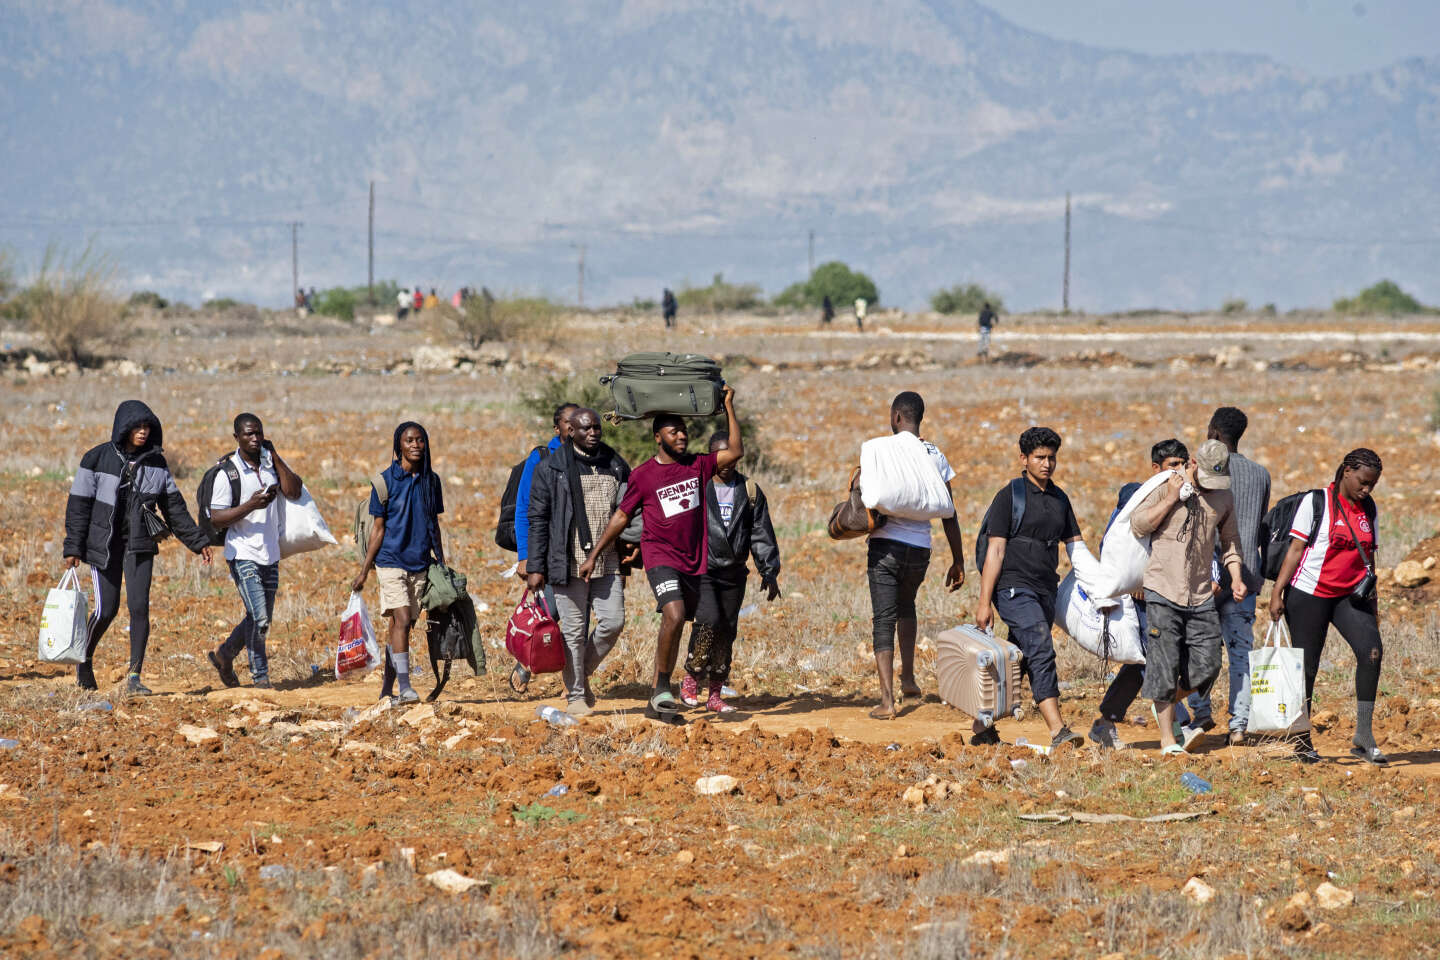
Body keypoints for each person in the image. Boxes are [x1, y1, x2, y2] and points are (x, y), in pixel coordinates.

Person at [577, 386, 745, 724]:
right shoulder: (643, 475)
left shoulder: (698, 465)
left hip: (693, 559)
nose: (682, 436)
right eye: (674, 431)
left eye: (684, 430)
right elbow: (622, 516)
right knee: (674, 612)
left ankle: (657, 700)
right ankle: (662, 688)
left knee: (680, 621)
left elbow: (736, 451)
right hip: (660, 555)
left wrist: (728, 406)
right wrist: (595, 553)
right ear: (658, 437)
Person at [63, 400, 213, 694]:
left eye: (147, 427)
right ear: (124, 427)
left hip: (139, 544)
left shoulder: (156, 463)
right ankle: (84, 660)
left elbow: (174, 509)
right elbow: (78, 507)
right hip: (102, 545)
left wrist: (197, 542)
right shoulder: (95, 459)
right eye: (137, 427)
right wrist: (73, 547)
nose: (143, 432)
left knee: (139, 608)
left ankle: (134, 677)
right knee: (106, 610)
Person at [1269, 449, 1385, 764]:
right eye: (1363, 482)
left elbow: (1370, 556)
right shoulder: (1317, 502)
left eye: (1372, 484)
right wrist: (1278, 591)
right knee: (1307, 667)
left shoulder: (1368, 508)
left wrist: (1373, 602)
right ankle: (1302, 740)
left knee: (1372, 651)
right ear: (1347, 471)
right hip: (1309, 593)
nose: (1367, 489)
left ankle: (1364, 735)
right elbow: (1295, 549)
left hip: (1350, 596)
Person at [1130, 439, 1245, 755]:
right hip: (1162, 588)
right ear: (1193, 462)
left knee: (1209, 664)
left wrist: (1235, 577)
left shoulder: (1224, 497)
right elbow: (1138, 524)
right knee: (1164, 663)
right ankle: (1169, 739)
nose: (1210, 488)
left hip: (1200, 593)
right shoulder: (1165, 484)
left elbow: (1231, 541)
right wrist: (1169, 499)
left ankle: (1165, 698)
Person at [974, 427, 1084, 749]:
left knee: (1018, 660)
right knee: (1039, 644)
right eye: (1040, 458)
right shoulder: (1010, 496)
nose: (1047, 464)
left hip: (1045, 590)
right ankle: (1058, 730)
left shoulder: (1060, 499)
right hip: (1012, 587)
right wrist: (984, 602)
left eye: (1052, 458)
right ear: (1024, 459)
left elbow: (1075, 545)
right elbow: (995, 550)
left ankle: (982, 728)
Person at [861, 392, 966, 719]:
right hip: (921, 550)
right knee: (907, 606)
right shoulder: (934, 453)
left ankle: (887, 702)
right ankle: (908, 678)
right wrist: (958, 559)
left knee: (883, 618)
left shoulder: (880, 448)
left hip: (886, 546)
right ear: (919, 418)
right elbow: (949, 511)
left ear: (896, 417)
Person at [526, 408, 630, 716]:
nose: (593, 433)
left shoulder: (614, 463)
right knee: (573, 631)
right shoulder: (551, 469)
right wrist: (535, 566)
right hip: (567, 560)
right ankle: (576, 694)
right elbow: (538, 519)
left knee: (613, 622)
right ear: (571, 431)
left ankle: (579, 672)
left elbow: (630, 507)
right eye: (586, 428)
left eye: (597, 427)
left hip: (608, 559)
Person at [1088, 439, 1189, 750]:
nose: (1179, 471)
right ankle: (1181, 723)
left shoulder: (1184, 497)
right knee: (1156, 658)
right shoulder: (1137, 499)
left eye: (1183, 465)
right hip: (1143, 596)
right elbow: (1113, 548)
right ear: (1156, 469)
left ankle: (1106, 721)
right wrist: (1134, 586)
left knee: (1142, 660)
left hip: (1174, 593)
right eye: (1173, 465)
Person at [1181, 407, 1270, 746]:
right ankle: (1240, 725)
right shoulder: (1260, 475)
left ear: (1215, 432)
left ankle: (1200, 712)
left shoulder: (1205, 469)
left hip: (1204, 578)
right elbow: (1256, 525)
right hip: (1244, 577)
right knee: (1240, 652)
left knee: (1197, 647)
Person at [679, 431, 782, 714]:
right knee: (709, 621)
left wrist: (769, 571)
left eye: (730, 457)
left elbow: (760, 533)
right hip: (704, 570)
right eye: (719, 456)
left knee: (727, 630)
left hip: (734, 573)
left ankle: (715, 693)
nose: (725, 463)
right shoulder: (697, 487)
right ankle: (691, 678)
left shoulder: (749, 491)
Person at [205, 414, 303, 690]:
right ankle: (261, 679)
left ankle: (224, 655)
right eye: (248, 434)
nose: (255, 438)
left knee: (258, 617)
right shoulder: (229, 472)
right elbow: (216, 517)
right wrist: (251, 505)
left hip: (270, 553)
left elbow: (294, 490)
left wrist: (276, 455)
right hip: (242, 552)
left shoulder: (271, 465)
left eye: (258, 433)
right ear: (236, 437)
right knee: (259, 618)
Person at [351, 422, 446, 705]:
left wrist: (441, 562)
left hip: (419, 562)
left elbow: (434, 524)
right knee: (402, 620)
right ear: (398, 446)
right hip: (390, 561)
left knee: (400, 627)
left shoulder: (431, 480)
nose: (416, 445)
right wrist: (365, 570)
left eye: (420, 440)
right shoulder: (384, 482)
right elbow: (377, 529)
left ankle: (386, 689)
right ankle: (405, 688)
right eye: (409, 441)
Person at [508, 402, 579, 694]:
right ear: (557, 427)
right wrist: (526, 556)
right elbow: (524, 508)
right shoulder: (540, 458)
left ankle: (572, 682)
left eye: (579, 420)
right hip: (546, 549)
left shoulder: (589, 456)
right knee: (548, 612)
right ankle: (525, 664)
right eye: (567, 421)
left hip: (579, 550)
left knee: (578, 616)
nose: (574, 426)